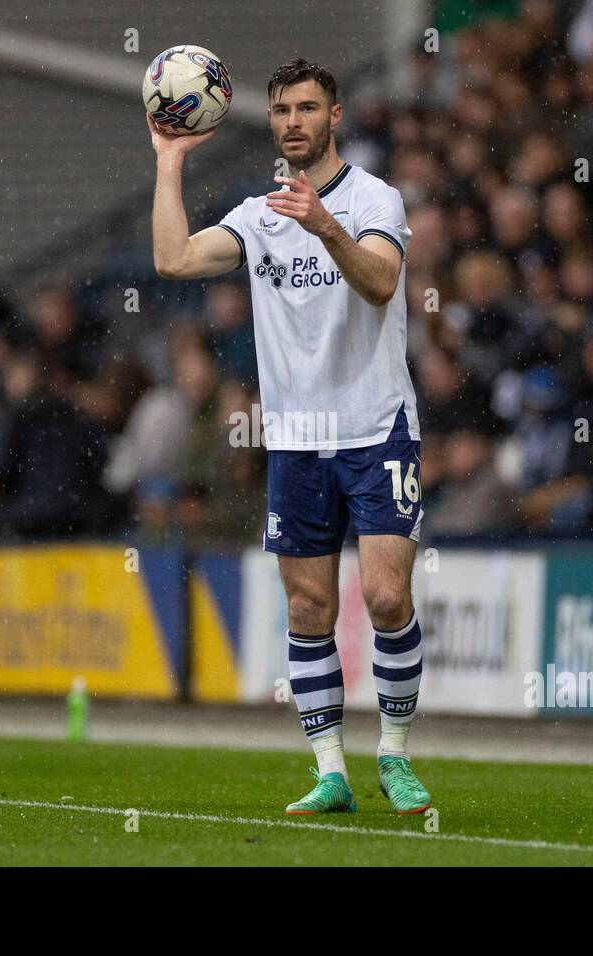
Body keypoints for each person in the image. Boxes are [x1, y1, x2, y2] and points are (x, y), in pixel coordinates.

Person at [149, 58, 430, 815]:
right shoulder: (256, 214)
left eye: (308, 108)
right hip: (298, 441)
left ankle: (396, 755)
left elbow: (379, 282)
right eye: (281, 110)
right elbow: (171, 258)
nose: (293, 121)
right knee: (308, 607)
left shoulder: (375, 198)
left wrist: (324, 223)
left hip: (377, 429)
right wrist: (169, 160)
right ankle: (332, 771)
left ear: (335, 116)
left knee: (383, 593)